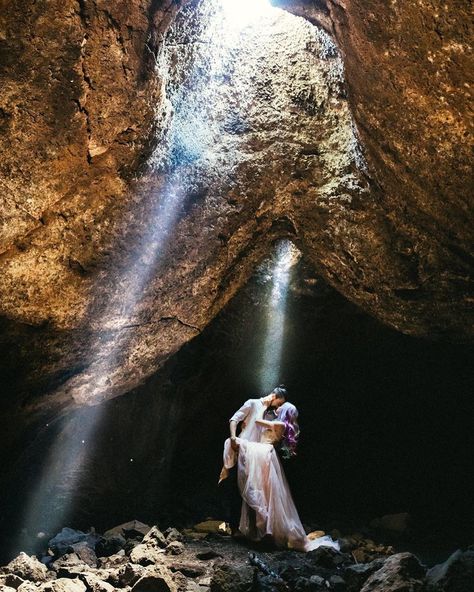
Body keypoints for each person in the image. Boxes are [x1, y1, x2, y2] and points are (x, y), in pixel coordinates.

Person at [232, 401, 340, 552]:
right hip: (263, 454)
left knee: (268, 492)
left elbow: (257, 420)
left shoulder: (279, 424)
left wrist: (262, 406)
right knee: (264, 491)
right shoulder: (277, 423)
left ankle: (268, 531)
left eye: (280, 408)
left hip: (265, 453)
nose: (277, 409)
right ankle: (262, 530)